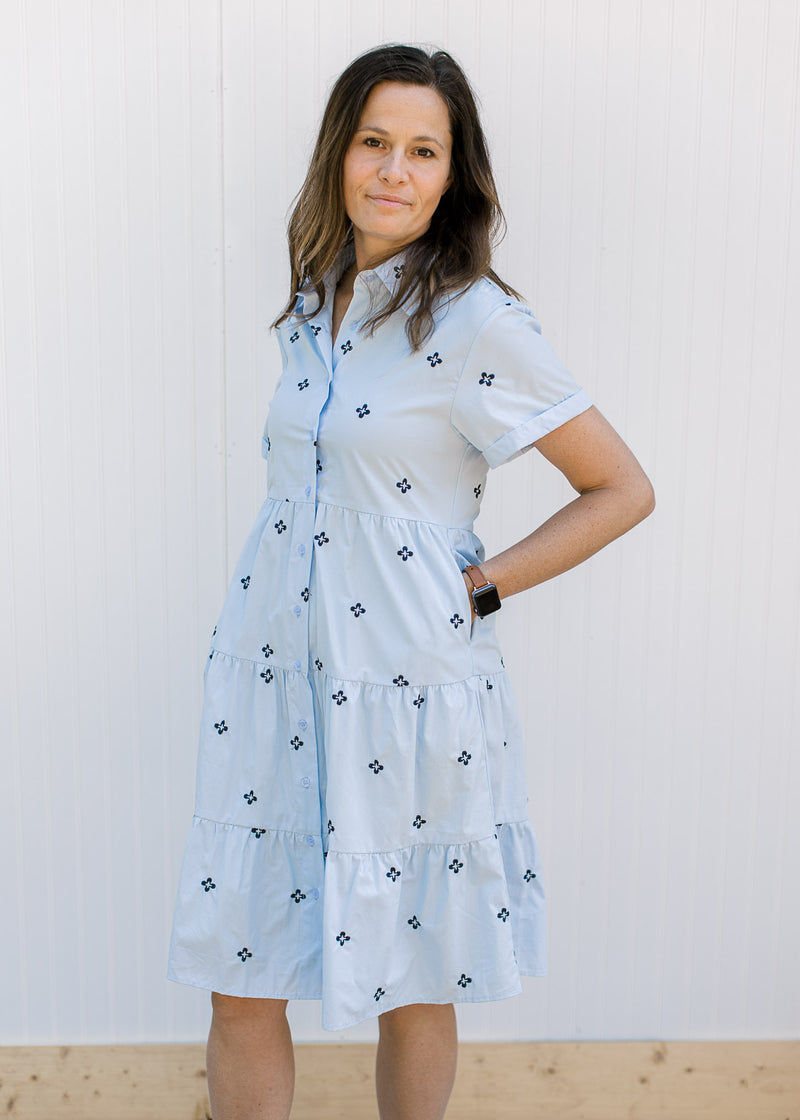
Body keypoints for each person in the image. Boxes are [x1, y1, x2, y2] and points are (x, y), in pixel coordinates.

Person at [167, 43, 654, 1120]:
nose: (393, 169)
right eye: (374, 142)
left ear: (452, 176)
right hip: (273, 681)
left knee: (415, 976)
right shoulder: (312, 301)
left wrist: (479, 587)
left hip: (409, 690)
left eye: (421, 150)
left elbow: (619, 488)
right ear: (339, 155)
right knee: (240, 972)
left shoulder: (478, 322)